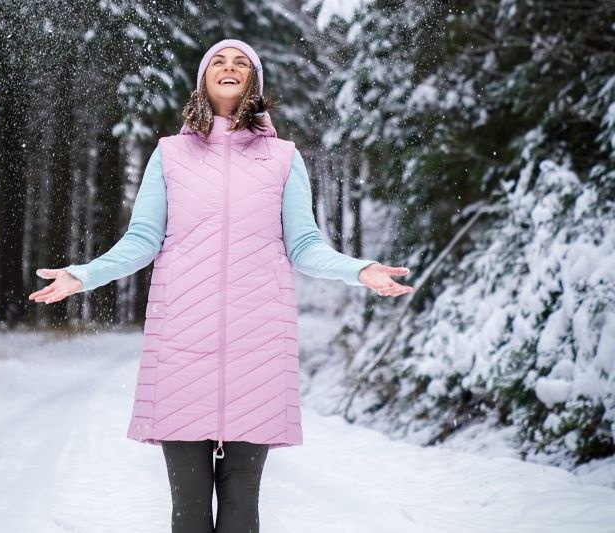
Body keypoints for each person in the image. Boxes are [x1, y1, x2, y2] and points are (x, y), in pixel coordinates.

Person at [29, 39, 413, 533]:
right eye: (219, 61)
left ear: (255, 81)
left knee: (241, 505)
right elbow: (142, 240)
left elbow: (304, 245)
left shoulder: (283, 158)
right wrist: (83, 275)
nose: (229, 68)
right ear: (203, 79)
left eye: (241, 63)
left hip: (259, 348)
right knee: (189, 508)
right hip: (181, 345)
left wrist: (358, 269)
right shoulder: (170, 155)